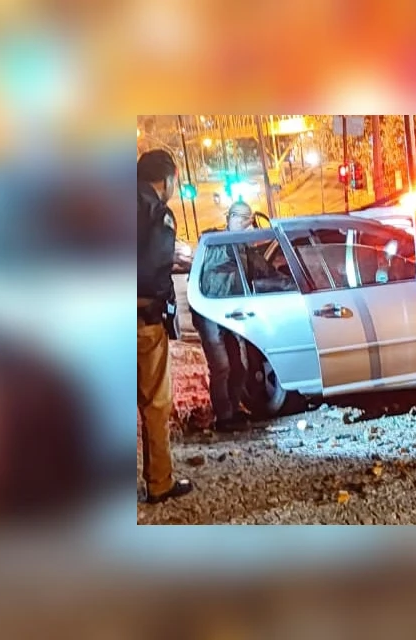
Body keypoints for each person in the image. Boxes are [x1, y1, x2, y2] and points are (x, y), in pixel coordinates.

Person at [137, 150, 194, 503]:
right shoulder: (158, 214)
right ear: (168, 179)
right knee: (155, 402)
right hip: (140, 321)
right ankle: (159, 482)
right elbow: (153, 270)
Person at [193, 201, 259, 431]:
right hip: (209, 310)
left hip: (230, 312)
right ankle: (224, 416)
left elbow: (257, 271)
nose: (242, 222)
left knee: (239, 365)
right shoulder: (215, 242)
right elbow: (217, 264)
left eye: (246, 219)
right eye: (238, 218)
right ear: (229, 218)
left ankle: (234, 408)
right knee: (221, 366)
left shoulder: (242, 246)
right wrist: (238, 241)